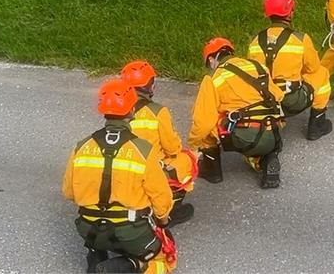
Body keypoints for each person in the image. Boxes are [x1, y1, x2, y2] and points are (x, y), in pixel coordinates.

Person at [62, 79, 177, 274]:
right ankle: (129, 265)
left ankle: (96, 252)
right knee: (164, 261)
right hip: (130, 232)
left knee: (100, 236)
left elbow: (69, 192)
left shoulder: (81, 146)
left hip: (88, 229)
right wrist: (163, 222)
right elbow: (161, 197)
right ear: (132, 110)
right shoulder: (143, 150)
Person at [188, 37, 286, 189]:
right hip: (274, 131)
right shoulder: (258, 66)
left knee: (207, 116)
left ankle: (211, 168)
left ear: (213, 59)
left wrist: (193, 145)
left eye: (209, 64)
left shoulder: (214, 79)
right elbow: (278, 96)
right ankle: (267, 158)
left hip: (246, 136)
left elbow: (203, 123)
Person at [248, 0, 333, 140]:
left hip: (264, 101)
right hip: (291, 101)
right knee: (322, 73)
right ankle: (317, 124)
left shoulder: (255, 42)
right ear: (290, 12)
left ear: (267, 14)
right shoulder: (300, 39)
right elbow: (313, 68)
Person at [120, 61, 197, 226]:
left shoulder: (118, 112)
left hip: (123, 171)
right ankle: (170, 209)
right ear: (150, 86)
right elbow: (173, 148)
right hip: (151, 170)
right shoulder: (158, 112)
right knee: (186, 160)